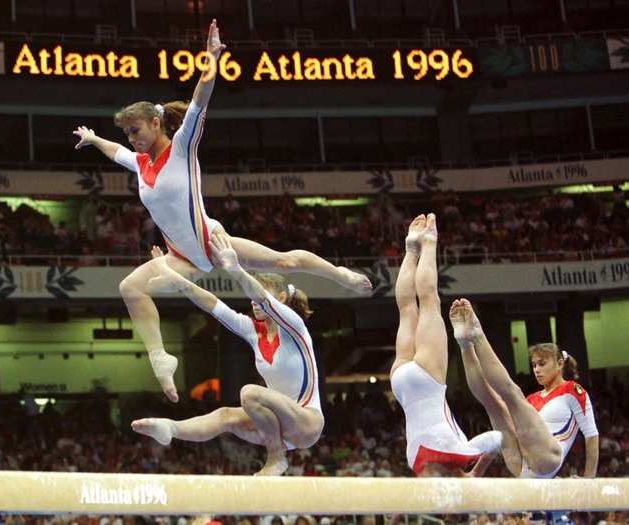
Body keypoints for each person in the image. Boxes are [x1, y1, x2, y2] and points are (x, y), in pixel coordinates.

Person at [72, 20, 370, 403]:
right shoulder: (142, 164)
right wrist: (96, 139)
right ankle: (162, 361)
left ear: (156, 122)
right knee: (129, 288)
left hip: (210, 241)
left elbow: (199, 101)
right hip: (182, 256)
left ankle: (340, 275)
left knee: (281, 263)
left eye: (136, 130)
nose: (132, 139)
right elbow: (119, 154)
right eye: (127, 133)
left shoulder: (181, 147)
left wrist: (210, 60)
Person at [131, 235, 323, 476]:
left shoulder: (294, 326)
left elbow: (262, 297)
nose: (252, 301)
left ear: (281, 299)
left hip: (306, 423)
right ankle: (172, 428)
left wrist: (236, 269)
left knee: (249, 393)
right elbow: (212, 304)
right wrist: (175, 279)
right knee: (225, 416)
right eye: (251, 297)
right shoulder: (254, 330)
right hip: (277, 427)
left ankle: (275, 458)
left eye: (259, 294)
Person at [389, 213, 502, 477]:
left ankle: (428, 242)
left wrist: (475, 470)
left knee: (428, 300)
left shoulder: (460, 451)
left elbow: (497, 439)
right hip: (401, 387)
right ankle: (410, 248)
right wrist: (468, 475)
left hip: (427, 381)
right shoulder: (416, 465)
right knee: (406, 309)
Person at [449, 298, 599, 478]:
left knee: (512, 394)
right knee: (493, 402)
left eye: (542, 364)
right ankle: (465, 345)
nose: (536, 369)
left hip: (547, 459)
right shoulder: (532, 400)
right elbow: (502, 436)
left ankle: (478, 335)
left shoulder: (572, 391)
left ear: (560, 364)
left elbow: (591, 436)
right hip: (521, 466)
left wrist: (589, 479)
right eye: (534, 365)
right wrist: (476, 472)